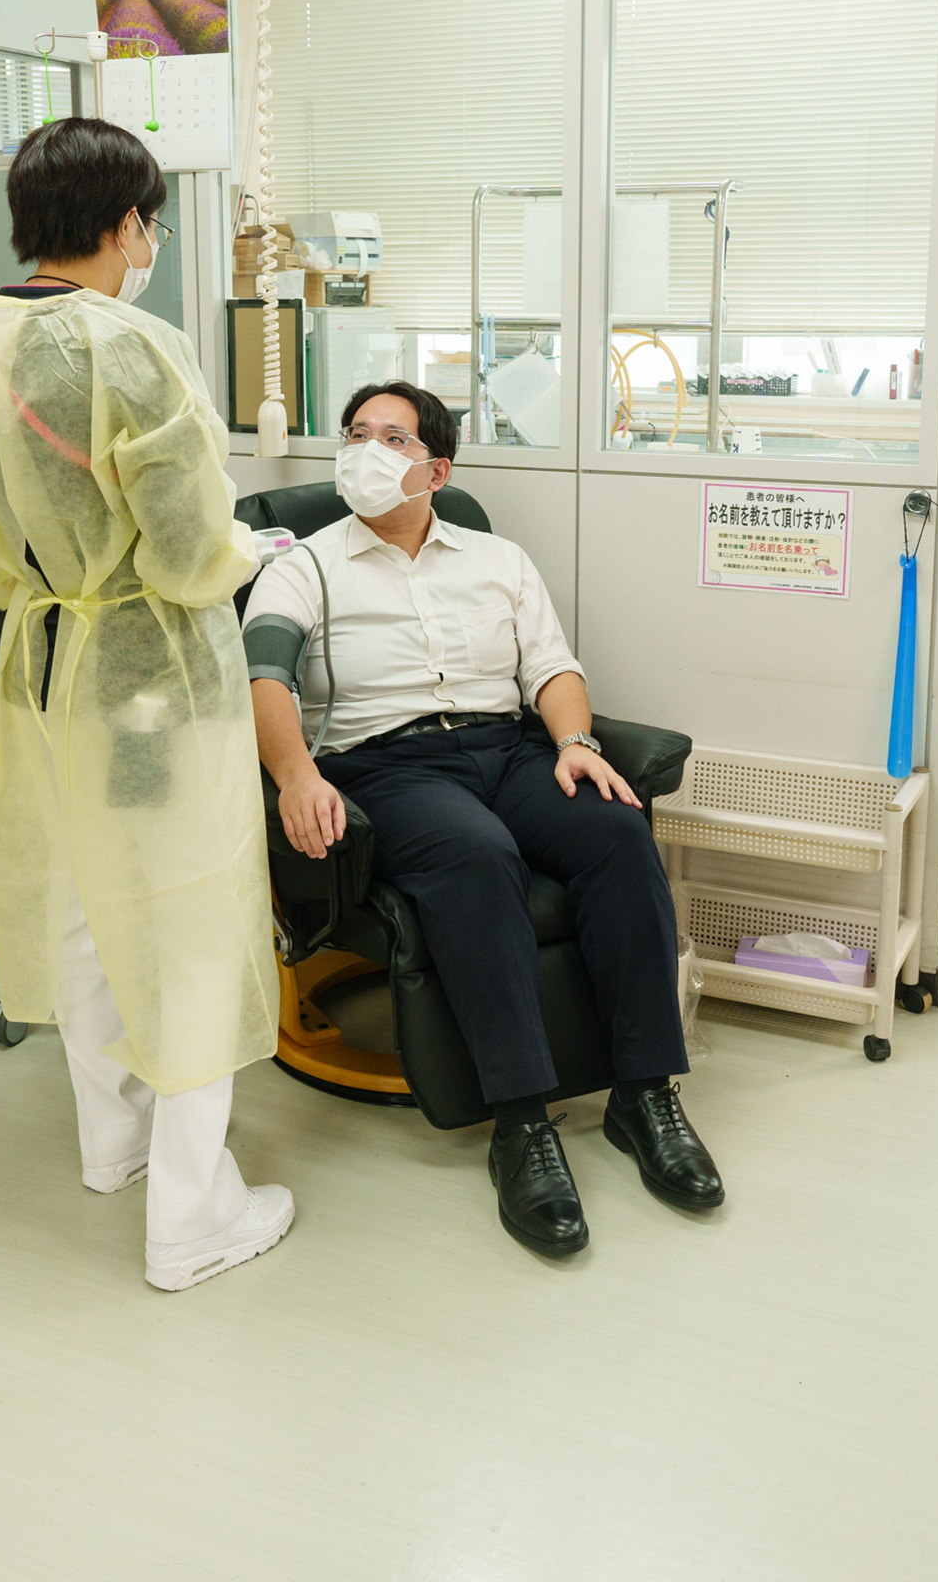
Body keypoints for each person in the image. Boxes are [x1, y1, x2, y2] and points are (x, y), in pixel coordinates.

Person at [0, 116, 291, 1293]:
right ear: (126, 224)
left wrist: (52, 587)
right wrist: (247, 552)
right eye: (150, 224)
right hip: (154, 672)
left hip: (43, 665)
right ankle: (193, 1218)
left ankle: (114, 1143)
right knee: (187, 924)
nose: (150, 243)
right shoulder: (134, 347)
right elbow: (187, 546)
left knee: (79, 906)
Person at [241, 381, 722, 1258]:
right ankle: (522, 1123)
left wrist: (574, 742)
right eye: (355, 434)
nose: (366, 450)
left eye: (392, 438)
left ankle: (644, 1094)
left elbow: (552, 667)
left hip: (508, 748)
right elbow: (264, 676)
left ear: (437, 470)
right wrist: (295, 774)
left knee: (617, 834)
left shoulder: (499, 560)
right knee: (476, 855)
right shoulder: (302, 566)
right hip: (386, 764)